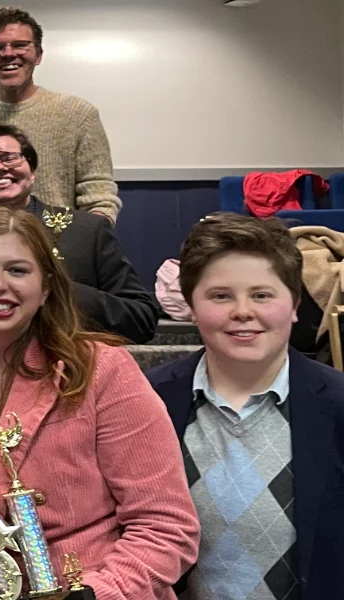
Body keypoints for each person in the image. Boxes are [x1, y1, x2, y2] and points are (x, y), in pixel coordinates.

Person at [0, 208, 199, 599]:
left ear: (46, 287)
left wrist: (97, 593)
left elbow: (166, 525)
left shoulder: (102, 369)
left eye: (17, 270)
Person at [146, 214, 344, 600]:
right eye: (221, 296)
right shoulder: (149, 400)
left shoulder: (338, 405)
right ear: (191, 305)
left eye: (262, 295)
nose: (242, 311)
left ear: (294, 305)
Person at [0, 124, 158, 343]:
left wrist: (59, 288)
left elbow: (142, 320)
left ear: (32, 172)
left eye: (10, 158)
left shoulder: (87, 231)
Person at [0, 7, 120, 223]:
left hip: (59, 247)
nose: (8, 54)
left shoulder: (78, 114)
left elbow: (99, 197)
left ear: (38, 55)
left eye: (20, 45)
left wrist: (85, 242)